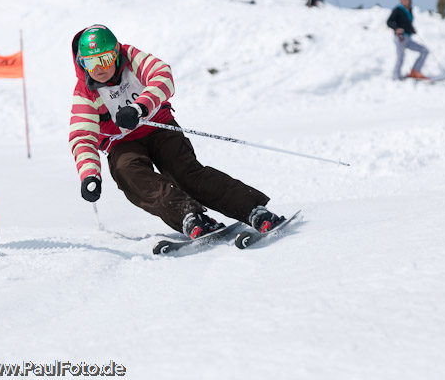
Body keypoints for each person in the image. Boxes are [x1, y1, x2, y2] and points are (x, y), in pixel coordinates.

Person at [69, 25, 284, 239]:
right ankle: (188, 216)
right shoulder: (84, 91)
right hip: (122, 142)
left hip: (159, 127)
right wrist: (89, 175)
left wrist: (139, 107)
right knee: (130, 173)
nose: (98, 68)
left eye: (104, 59)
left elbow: (163, 76)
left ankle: (253, 209)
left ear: (116, 54)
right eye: (90, 62)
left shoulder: (132, 58)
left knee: (185, 174)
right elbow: (82, 136)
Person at [387, 0, 429, 80]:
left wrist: (411, 29)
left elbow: (406, 23)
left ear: (410, 0)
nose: (404, 1)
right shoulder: (398, 10)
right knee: (401, 57)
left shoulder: (409, 10)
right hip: (400, 38)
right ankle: (395, 77)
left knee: (424, 50)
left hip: (408, 38)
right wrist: (396, 28)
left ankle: (415, 71)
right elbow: (389, 22)